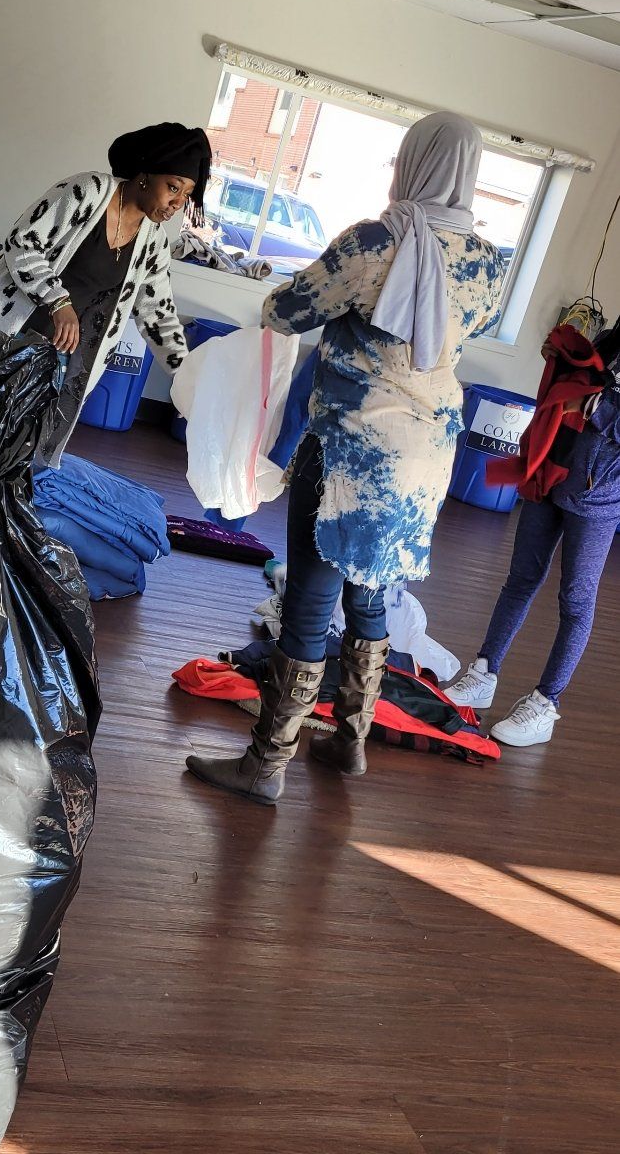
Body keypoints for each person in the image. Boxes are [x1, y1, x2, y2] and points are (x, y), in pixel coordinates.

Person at [186, 111, 505, 805]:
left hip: (351, 454)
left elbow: (286, 310)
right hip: (425, 462)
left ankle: (267, 764)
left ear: (412, 162)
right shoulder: (488, 262)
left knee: (309, 600)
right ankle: (349, 741)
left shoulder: (373, 242)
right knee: (374, 591)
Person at [0, 122, 211, 463]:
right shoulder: (89, 191)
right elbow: (22, 241)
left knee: (14, 449)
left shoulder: (153, 241)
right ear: (145, 176)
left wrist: (187, 378)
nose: (177, 203)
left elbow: (157, 313)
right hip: (2, 334)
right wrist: (59, 301)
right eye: (172, 187)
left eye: (185, 195)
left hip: (56, 357)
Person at [445, 322, 620, 746]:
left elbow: (595, 408)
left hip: (597, 500)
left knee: (575, 603)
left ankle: (545, 702)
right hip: (548, 477)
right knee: (520, 580)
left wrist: (595, 408)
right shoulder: (613, 339)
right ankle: (484, 671)